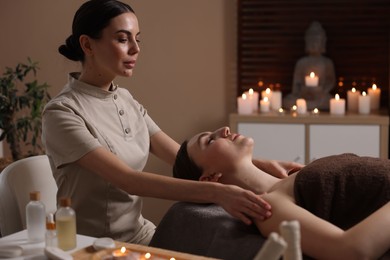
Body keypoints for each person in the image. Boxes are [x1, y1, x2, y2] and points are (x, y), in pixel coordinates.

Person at [41, 0, 302, 245]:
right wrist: (219, 193)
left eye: (137, 39)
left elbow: (180, 156)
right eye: (123, 39)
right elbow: (128, 180)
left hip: (141, 234)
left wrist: (258, 164)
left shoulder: (125, 99)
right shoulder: (62, 112)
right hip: (95, 245)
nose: (135, 48)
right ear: (87, 45)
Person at [173, 126, 390, 259]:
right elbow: (352, 251)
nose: (224, 130)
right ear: (210, 178)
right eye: (209, 140)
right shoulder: (269, 207)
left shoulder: (293, 176)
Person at [283, 21, 336, 110]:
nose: (314, 44)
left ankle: (306, 106)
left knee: (332, 101)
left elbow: (331, 81)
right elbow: (296, 84)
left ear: (323, 43)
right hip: (303, 95)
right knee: (288, 101)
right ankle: (306, 105)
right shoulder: (302, 62)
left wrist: (321, 91)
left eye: (317, 41)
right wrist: (303, 91)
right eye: (311, 41)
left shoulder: (327, 62)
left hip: (320, 96)